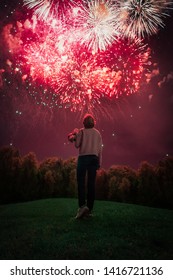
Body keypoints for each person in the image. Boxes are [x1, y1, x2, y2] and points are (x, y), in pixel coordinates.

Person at [68, 114, 103, 219]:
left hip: (83, 158)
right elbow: (100, 150)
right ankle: (89, 210)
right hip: (94, 159)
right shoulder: (98, 133)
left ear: (84, 122)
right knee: (91, 185)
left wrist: (75, 135)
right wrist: (99, 163)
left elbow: (77, 145)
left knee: (81, 183)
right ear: (93, 122)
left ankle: (82, 207)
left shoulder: (81, 131)